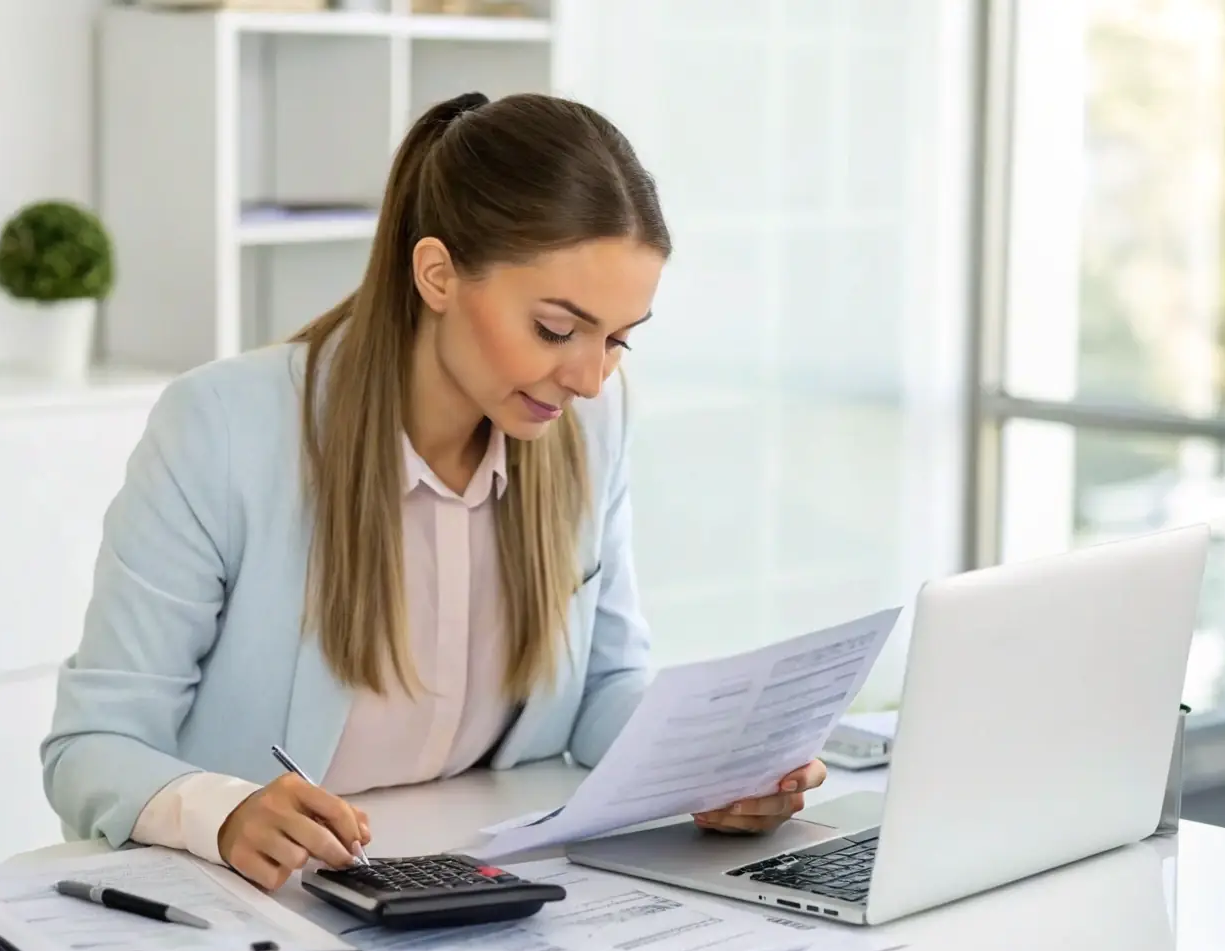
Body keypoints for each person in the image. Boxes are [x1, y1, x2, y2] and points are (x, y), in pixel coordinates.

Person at [41, 91, 827, 892]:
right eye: (557, 330)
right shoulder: (225, 426)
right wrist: (222, 811)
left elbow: (602, 691)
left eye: (618, 339)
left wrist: (713, 761)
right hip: (274, 908)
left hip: (488, 886)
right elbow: (92, 745)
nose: (590, 378)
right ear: (438, 274)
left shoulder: (588, 424)